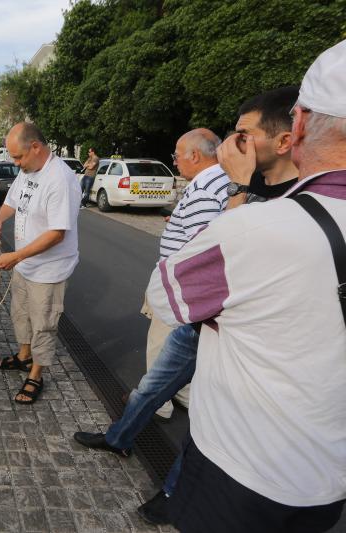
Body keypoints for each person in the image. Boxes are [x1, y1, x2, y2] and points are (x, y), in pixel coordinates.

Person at [145, 40, 346, 533]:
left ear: (296, 126)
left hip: (242, 471)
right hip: (327, 479)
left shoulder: (259, 227)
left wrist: (236, 189)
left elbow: (164, 294)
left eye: (242, 135)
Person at [119, 87, 302, 526]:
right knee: (175, 394)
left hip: (227, 326)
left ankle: (174, 491)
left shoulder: (274, 195)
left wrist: (236, 186)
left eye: (243, 134)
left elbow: (221, 253)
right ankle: (124, 440)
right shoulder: (253, 187)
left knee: (208, 421)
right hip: (208, 319)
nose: (232, 144)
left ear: (284, 140)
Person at [74, 128, 229, 504]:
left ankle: (153, 420)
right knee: (170, 381)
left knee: (157, 375)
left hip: (183, 300)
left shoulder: (209, 190)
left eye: (177, 154)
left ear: (195, 155)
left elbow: (203, 251)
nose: (174, 160)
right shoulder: (215, 186)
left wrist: (174, 294)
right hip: (186, 298)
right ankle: (125, 433)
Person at [0, 122, 81, 404]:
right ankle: (24, 357)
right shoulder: (28, 171)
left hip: (49, 269)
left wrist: (15, 256)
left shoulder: (60, 179)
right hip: (25, 264)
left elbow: (57, 233)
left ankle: (36, 374)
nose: (16, 164)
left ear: (36, 147)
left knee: (43, 323)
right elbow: (12, 201)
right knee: (22, 314)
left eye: (18, 157)